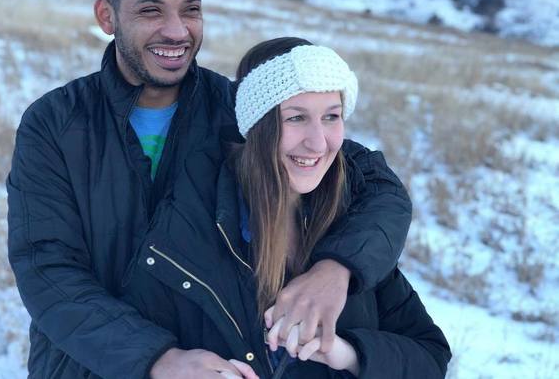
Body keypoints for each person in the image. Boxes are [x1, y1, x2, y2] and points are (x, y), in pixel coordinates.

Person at [7, 0, 412, 378]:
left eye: (191, 10)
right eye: (151, 10)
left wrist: (336, 269)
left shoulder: (240, 111)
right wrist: (157, 359)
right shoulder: (55, 124)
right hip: (82, 367)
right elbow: (47, 270)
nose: (176, 30)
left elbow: (374, 185)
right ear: (107, 16)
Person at [123, 37, 451, 379]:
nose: (318, 142)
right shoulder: (189, 230)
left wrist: (348, 353)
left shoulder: (350, 221)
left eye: (332, 116)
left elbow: (430, 356)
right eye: (295, 118)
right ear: (256, 125)